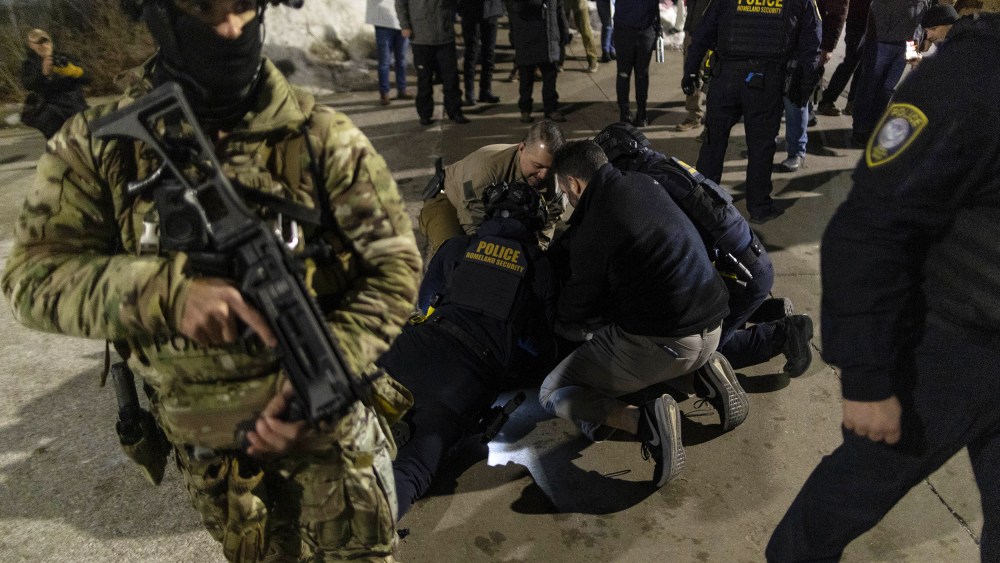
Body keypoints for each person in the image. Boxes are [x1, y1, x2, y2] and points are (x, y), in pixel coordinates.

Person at [1, 1, 422, 561]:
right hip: (219, 463)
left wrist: (333, 365)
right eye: (205, 9)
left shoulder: (319, 135)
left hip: (332, 441)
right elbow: (32, 278)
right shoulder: (100, 145)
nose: (229, 29)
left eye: (244, 7)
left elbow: (395, 267)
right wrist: (165, 294)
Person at [767, 13, 1000, 560]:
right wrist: (867, 380)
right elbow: (867, 232)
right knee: (832, 514)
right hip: (945, 356)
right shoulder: (970, 78)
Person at [538, 140, 735, 489]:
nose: (565, 200)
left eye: (564, 191)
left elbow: (576, 309)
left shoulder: (595, 225)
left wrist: (553, 314)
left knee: (553, 391)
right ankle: (707, 376)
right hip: (714, 323)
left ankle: (645, 422)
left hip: (670, 343)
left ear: (574, 184)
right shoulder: (644, 182)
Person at [382, 180, 557, 519]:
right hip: (467, 375)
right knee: (413, 464)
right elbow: (542, 347)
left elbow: (425, 301)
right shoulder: (538, 266)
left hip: (418, 344)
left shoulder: (457, 246)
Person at [593, 122, 814, 381]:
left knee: (701, 351)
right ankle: (768, 311)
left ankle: (786, 333)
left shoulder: (648, 184)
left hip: (742, 274)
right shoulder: (661, 166)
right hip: (750, 265)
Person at [682, 0, 821, 224]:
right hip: (766, 81)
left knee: (713, 142)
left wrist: (690, 71)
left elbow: (703, 31)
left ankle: (704, 204)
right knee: (761, 146)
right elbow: (811, 41)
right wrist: (806, 83)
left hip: (725, 77)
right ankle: (759, 207)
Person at [418, 120, 566, 254]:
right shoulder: (486, 168)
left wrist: (535, 253)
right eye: (537, 166)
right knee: (453, 254)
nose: (544, 175)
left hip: (500, 214)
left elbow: (547, 225)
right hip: (451, 201)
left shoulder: (556, 183)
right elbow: (472, 222)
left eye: (551, 169)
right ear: (522, 149)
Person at [777, 0, 849, 172]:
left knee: (796, 101)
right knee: (771, 101)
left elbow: (837, 11)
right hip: (774, 47)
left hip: (803, 48)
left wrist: (828, 46)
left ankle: (796, 152)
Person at [849, 0, 929, 147]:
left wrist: (913, 52)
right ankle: (859, 130)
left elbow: (918, 18)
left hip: (905, 43)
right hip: (880, 40)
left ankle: (874, 128)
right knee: (869, 86)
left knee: (887, 89)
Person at [397, 0, 470, 125]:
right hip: (421, 37)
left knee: (451, 77)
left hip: (445, 35)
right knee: (424, 78)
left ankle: (455, 111)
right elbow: (400, 3)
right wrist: (405, 25)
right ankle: (425, 114)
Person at [508, 0, 571, 123]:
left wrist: (564, 31)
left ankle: (549, 109)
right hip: (526, 35)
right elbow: (514, 7)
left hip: (547, 37)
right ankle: (527, 110)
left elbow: (559, 8)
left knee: (549, 76)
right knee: (527, 76)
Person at [19, 28, 89, 140]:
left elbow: (87, 78)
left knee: (84, 140)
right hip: (52, 111)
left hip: (75, 106)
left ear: (51, 42)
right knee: (58, 144)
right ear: (31, 45)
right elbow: (28, 84)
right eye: (38, 43)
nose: (43, 46)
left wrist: (72, 71)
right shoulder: (30, 65)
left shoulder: (65, 58)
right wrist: (43, 74)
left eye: (45, 42)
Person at [816, 0, 871, 116]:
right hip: (857, 22)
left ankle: (852, 102)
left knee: (862, 63)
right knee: (851, 62)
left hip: (867, 23)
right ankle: (827, 100)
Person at [613, 0, 661, 126]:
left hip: (646, 30)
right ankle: (625, 114)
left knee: (641, 74)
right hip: (624, 31)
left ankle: (642, 113)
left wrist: (657, 28)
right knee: (624, 74)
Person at [459, 0, 505, 106]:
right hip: (470, 10)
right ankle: (469, 92)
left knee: (489, 52)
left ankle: (485, 90)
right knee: (472, 52)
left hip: (491, 10)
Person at [367, 0, 413, 105]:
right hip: (383, 21)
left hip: (402, 21)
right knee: (384, 61)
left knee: (401, 59)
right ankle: (384, 92)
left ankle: (402, 89)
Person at [676, 0, 708, 133]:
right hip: (692, 29)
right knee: (692, 72)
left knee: (709, 75)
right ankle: (694, 115)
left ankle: (699, 116)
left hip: (710, 31)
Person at [565, 0, 601, 72]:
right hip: (564, 4)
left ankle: (592, 60)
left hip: (579, 3)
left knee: (585, 30)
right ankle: (559, 59)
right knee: (561, 30)